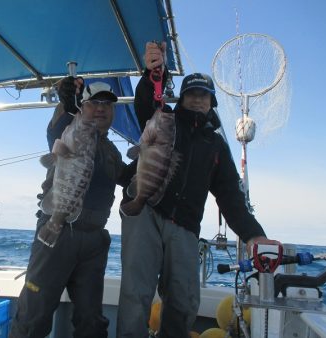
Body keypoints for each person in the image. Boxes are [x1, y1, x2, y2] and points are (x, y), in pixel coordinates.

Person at [116, 42, 281, 338]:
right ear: (181, 99)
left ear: (211, 103)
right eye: (191, 94)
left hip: (186, 228)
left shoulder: (216, 146)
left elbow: (231, 197)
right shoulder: (164, 120)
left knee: (184, 301)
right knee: (135, 293)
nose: (197, 100)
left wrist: (254, 235)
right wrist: (154, 72)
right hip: (145, 212)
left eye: (203, 95)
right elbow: (145, 103)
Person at [10, 77, 126, 338]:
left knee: (91, 321)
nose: (100, 109)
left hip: (94, 242)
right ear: (81, 107)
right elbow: (57, 128)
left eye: (107, 105)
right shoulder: (70, 130)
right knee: (33, 316)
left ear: (113, 113)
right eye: (94, 103)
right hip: (57, 232)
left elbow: (128, 179)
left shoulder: (112, 152)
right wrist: (65, 99)